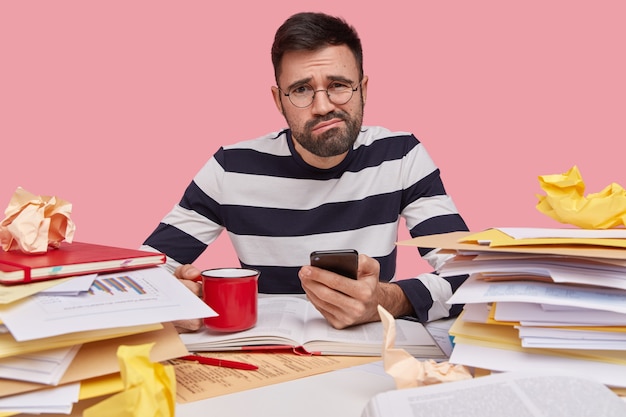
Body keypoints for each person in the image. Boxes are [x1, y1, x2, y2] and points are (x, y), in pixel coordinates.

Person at [142, 11, 469, 333]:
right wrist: (172, 299)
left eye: (339, 85)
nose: (323, 106)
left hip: (370, 356)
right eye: (301, 89)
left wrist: (389, 299)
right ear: (278, 100)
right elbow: (139, 275)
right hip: (265, 357)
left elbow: (472, 275)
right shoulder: (231, 168)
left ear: (364, 89)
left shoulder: (401, 156)